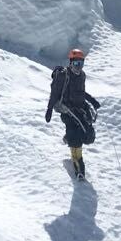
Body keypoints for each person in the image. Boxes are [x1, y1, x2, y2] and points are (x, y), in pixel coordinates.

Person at [45, 49, 101, 180]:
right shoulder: (63, 76)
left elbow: (81, 93)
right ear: (70, 63)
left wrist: (92, 101)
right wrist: (49, 110)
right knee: (76, 139)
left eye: (81, 64)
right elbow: (54, 94)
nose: (79, 67)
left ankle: (67, 137)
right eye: (76, 64)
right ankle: (79, 170)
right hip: (67, 109)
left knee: (88, 136)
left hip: (80, 109)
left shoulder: (82, 76)